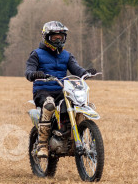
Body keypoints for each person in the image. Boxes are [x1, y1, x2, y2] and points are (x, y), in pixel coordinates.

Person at [25, 21, 97, 158]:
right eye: (54, 37)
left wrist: (86, 73)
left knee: (76, 104)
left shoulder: (67, 55)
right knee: (49, 104)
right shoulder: (36, 54)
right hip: (43, 90)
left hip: (62, 90)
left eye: (61, 37)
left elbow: (76, 69)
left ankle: (70, 135)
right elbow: (29, 71)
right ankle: (42, 145)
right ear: (46, 38)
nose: (58, 40)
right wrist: (34, 74)